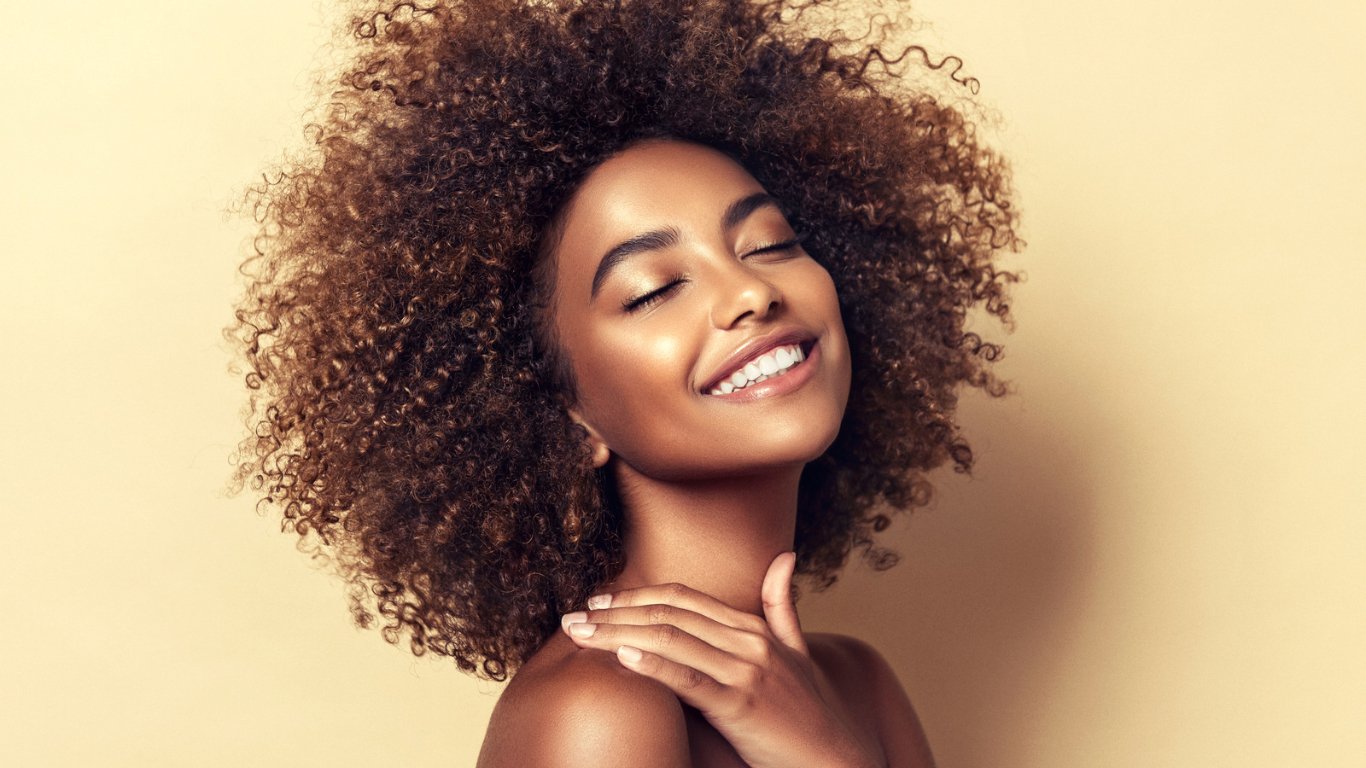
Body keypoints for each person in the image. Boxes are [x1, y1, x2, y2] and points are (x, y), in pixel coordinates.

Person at [228, 1, 1020, 765]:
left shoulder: (857, 686)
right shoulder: (599, 710)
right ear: (568, 416)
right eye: (652, 290)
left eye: (771, 244)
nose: (752, 294)